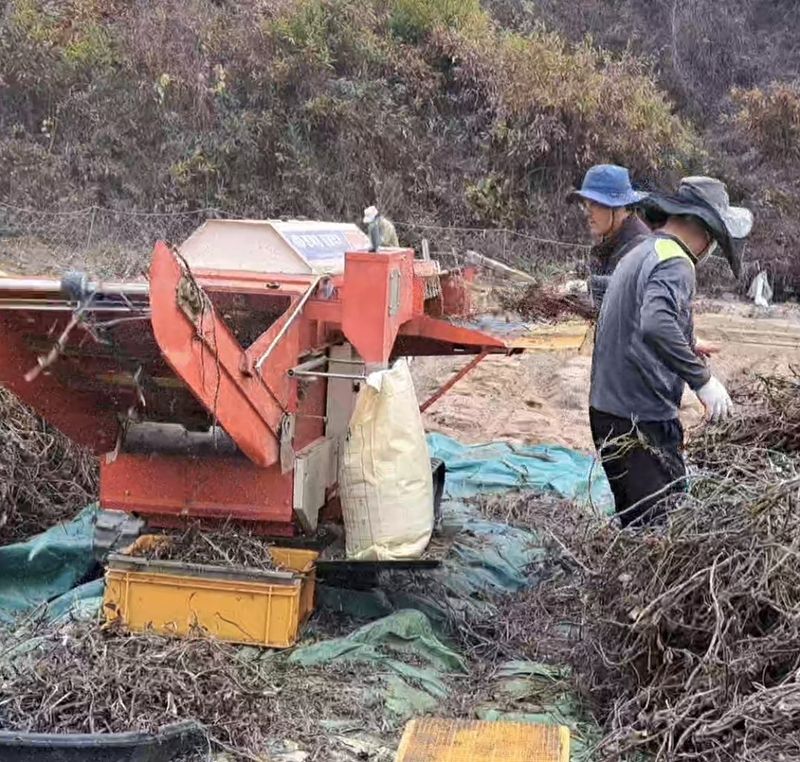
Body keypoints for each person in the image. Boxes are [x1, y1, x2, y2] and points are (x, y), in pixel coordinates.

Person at [590, 176, 753, 528]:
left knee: (636, 524)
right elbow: (655, 323)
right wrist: (702, 380)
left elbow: (635, 319)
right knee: (661, 529)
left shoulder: (644, 250)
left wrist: (686, 342)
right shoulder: (676, 261)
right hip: (638, 422)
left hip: (609, 412)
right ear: (706, 230)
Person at [567, 164, 651, 312]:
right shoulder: (614, 239)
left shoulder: (640, 247)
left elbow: (633, 287)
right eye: (585, 204)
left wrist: (586, 286)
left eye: (595, 204)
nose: (587, 213)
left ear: (617, 207)